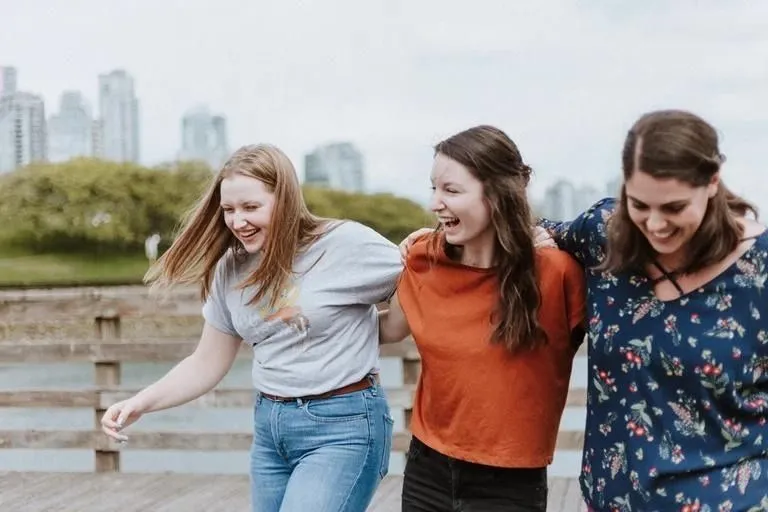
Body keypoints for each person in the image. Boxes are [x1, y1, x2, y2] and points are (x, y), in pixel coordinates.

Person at [402, 110, 768, 510]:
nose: (655, 224)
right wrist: (444, 230)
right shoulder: (604, 234)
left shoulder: (759, 273)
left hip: (723, 499)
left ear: (712, 182)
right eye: (640, 204)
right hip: (609, 499)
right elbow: (523, 230)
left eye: (675, 207)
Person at [100, 144, 402, 512]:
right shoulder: (229, 268)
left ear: (285, 200)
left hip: (343, 428)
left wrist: (389, 312)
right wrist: (140, 402)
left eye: (251, 207)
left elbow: (419, 292)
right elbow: (206, 362)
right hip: (271, 431)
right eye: (228, 209)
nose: (237, 221)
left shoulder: (343, 245)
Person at [380, 125, 587, 512]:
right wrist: (304, 318)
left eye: (451, 191)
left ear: (496, 195)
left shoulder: (557, 273)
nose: (435, 203)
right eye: (434, 188)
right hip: (427, 468)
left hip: (510, 483)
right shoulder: (424, 258)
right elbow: (388, 329)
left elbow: (625, 344)